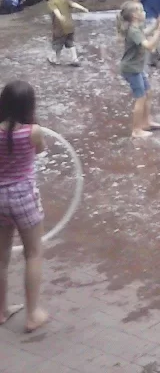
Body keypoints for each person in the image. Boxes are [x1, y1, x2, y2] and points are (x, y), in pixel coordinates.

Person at [0, 80, 49, 332]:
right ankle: (32, 315)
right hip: (24, 197)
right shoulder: (33, 131)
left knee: (1, 257)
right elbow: (40, 151)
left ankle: (0, 310)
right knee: (33, 253)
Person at [116, 0, 160, 137]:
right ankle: (136, 130)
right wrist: (159, 30)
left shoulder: (136, 27)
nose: (144, 12)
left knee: (148, 93)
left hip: (136, 68)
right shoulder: (133, 31)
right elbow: (149, 46)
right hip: (131, 69)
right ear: (134, 15)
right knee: (140, 98)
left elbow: (144, 33)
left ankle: (146, 122)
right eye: (141, 10)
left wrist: (155, 25)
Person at [43, 0, 85, 66]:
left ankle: (56, 60)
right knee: (70, 42)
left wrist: (60, 17)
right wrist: (83, 8)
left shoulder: (51, 2)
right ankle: (75, 59)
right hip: (70, 26)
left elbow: (56, 11)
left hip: (60, 28)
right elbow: (73, 4)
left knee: (57, 44)